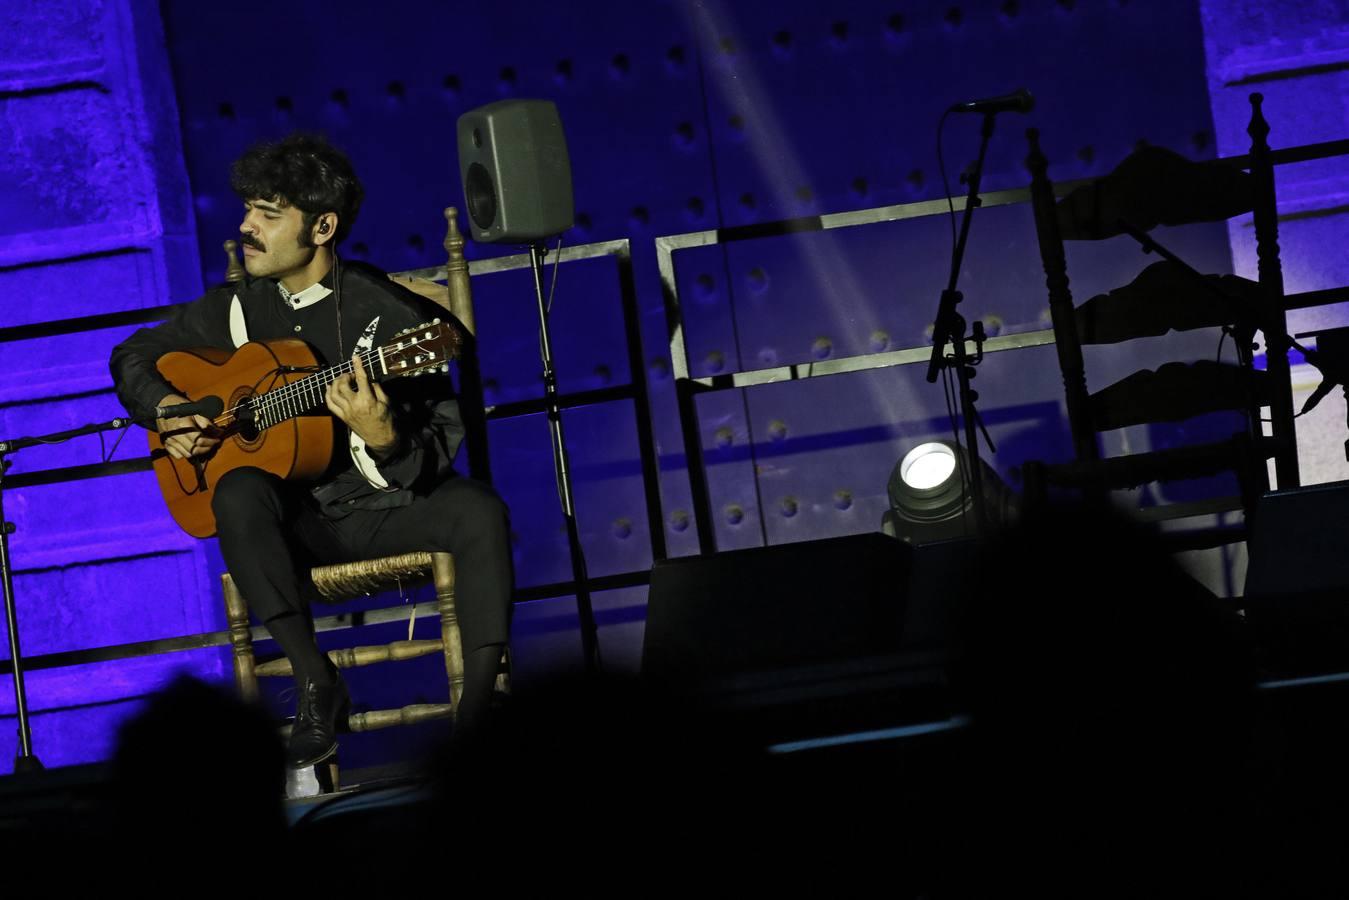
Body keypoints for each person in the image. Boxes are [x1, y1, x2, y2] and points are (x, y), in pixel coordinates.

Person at [110, 133, 512, 768]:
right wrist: (169, 410)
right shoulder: (238, 308)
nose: (246, 227)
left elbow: (438, 443)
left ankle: (478, 724)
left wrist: (386, 438)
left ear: (322, 226)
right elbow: (133, 354)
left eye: (268, 215)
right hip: (293, 529)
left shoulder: (389, 314)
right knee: (237, 490)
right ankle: (314, 679)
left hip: (380, 506)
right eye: (248, 210)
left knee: (480, 511)